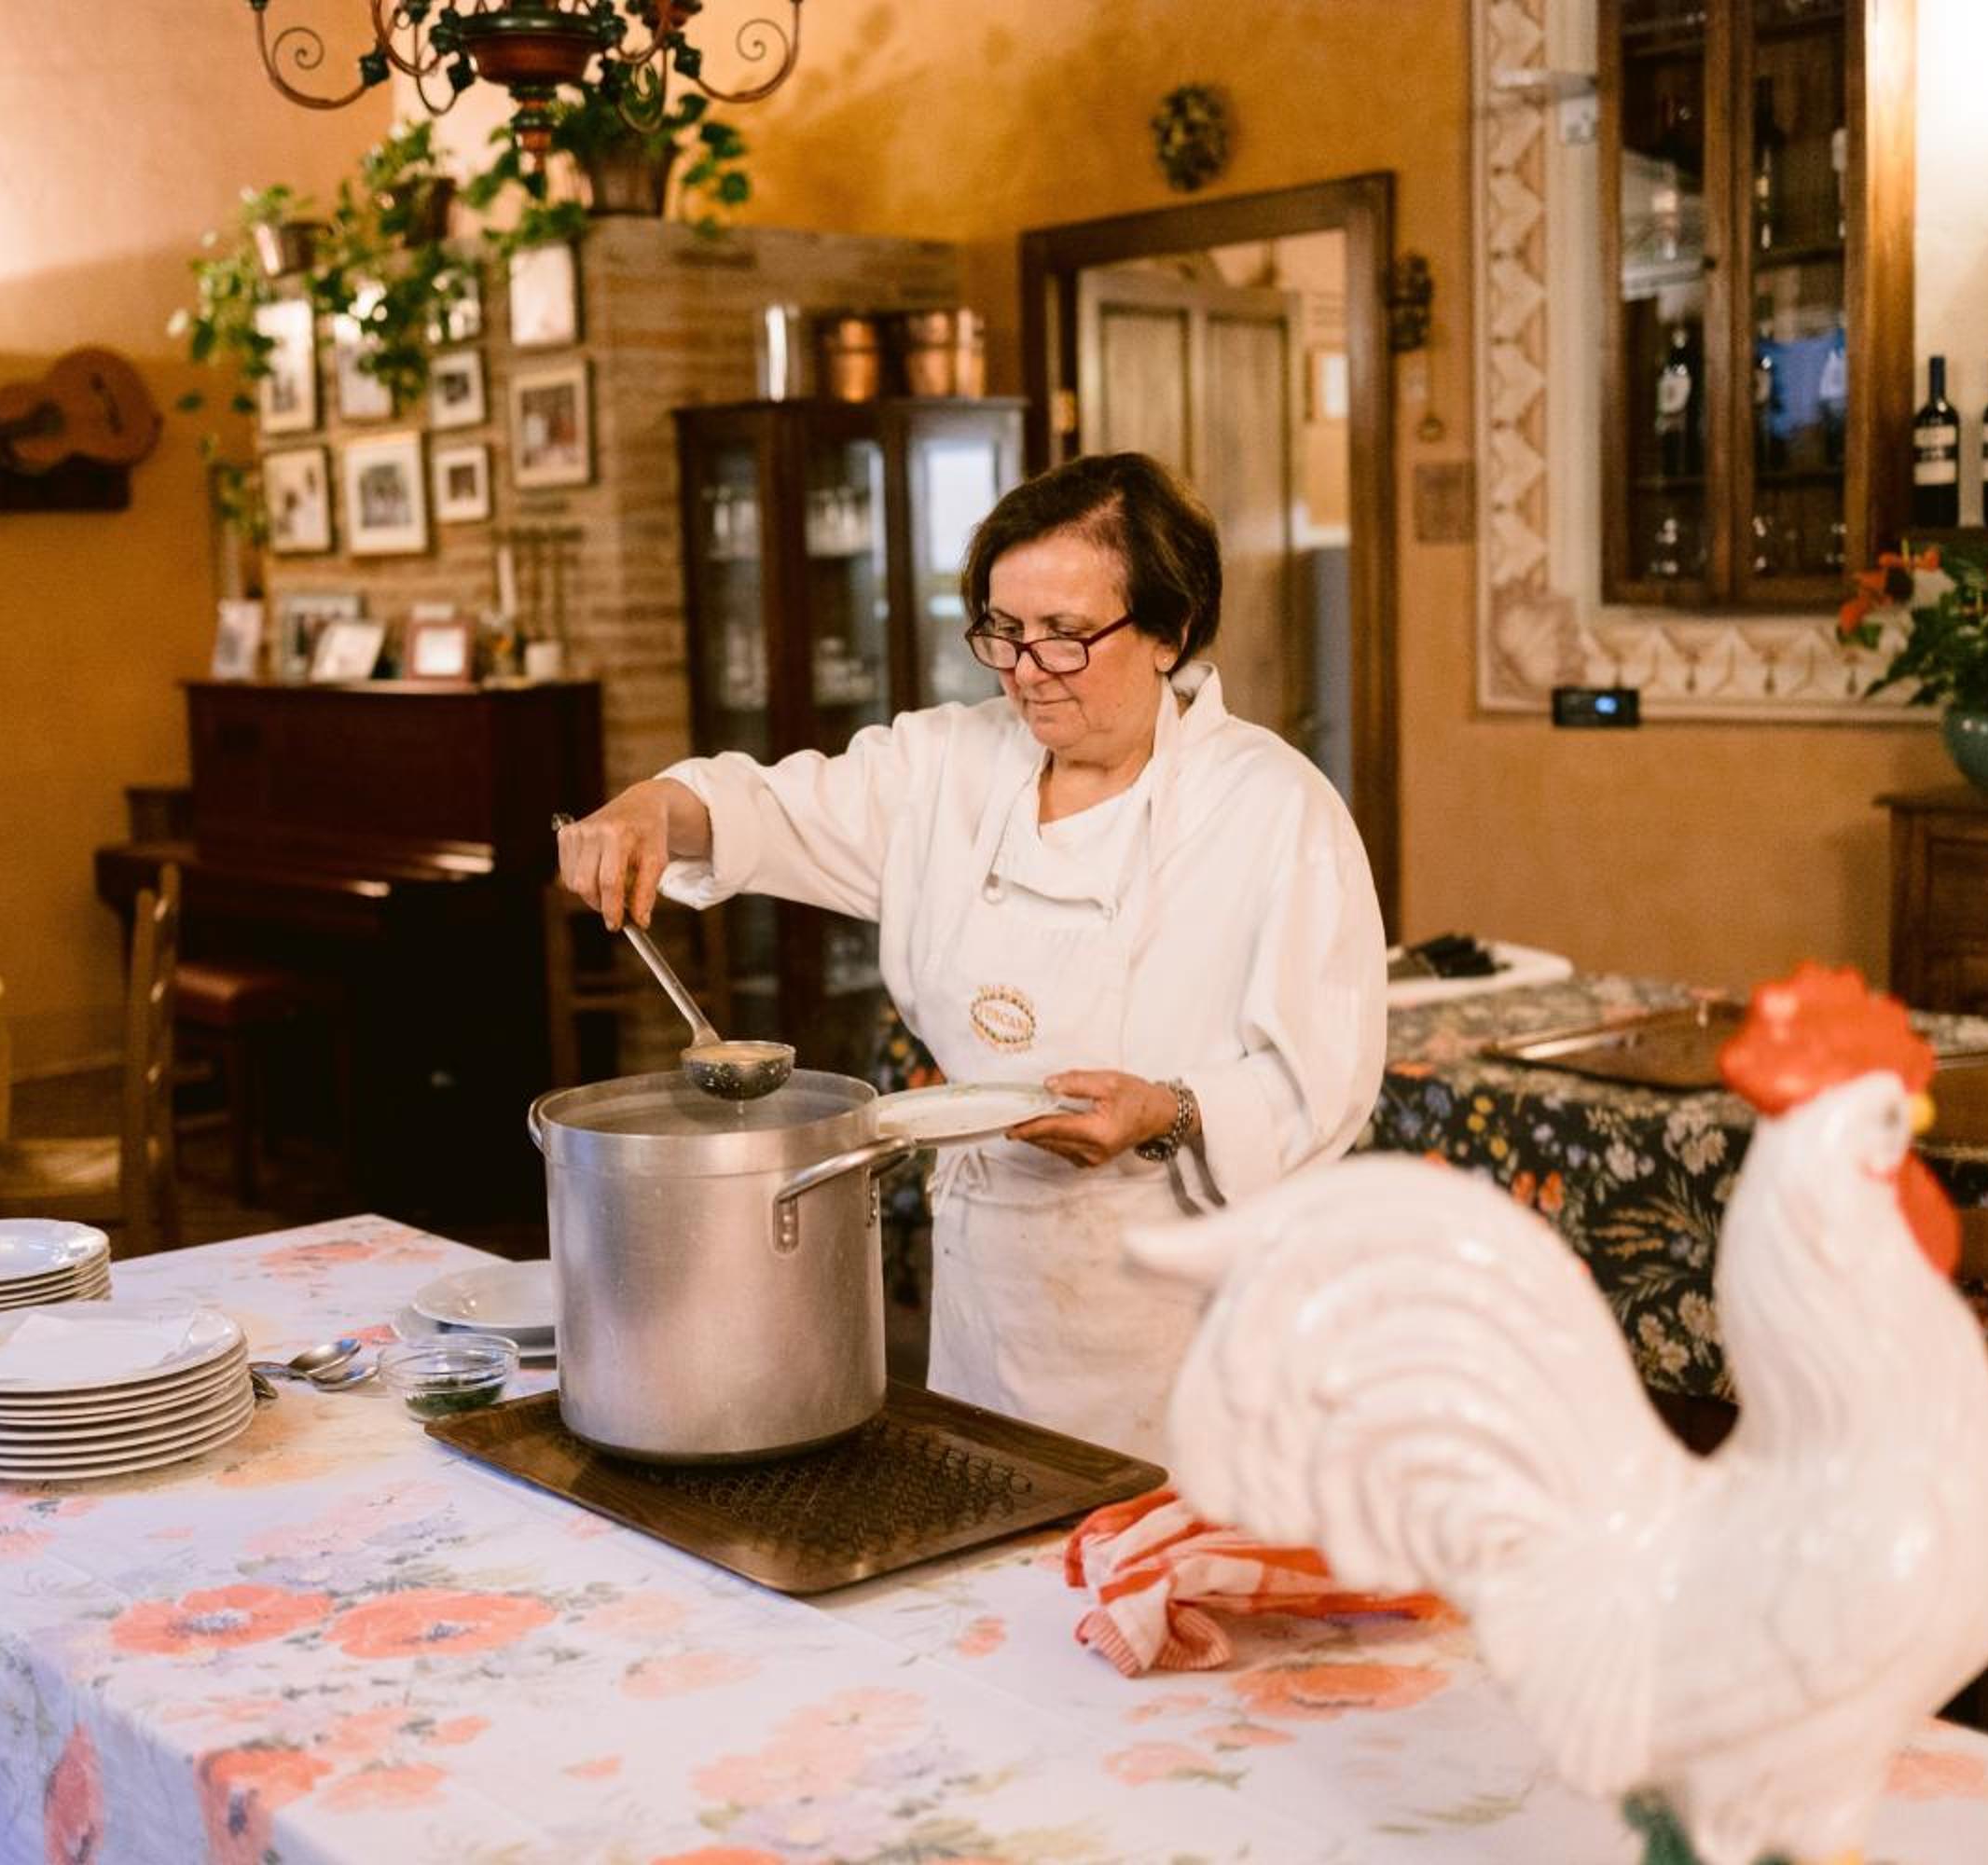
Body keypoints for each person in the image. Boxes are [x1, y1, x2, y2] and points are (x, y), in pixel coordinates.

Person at [557, 452, 1385, 1459]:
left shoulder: (1272, 808)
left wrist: (1167, 1110)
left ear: (1169, 632)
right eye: (1004, 631)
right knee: (993, 1522)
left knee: (1153, 1547)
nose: (1027, 671)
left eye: (1067, 636)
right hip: (990, 1292)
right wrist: (654, 805)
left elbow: (1324, 1079)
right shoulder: (949, 764)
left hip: (1181, 1312)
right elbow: (768, 808)